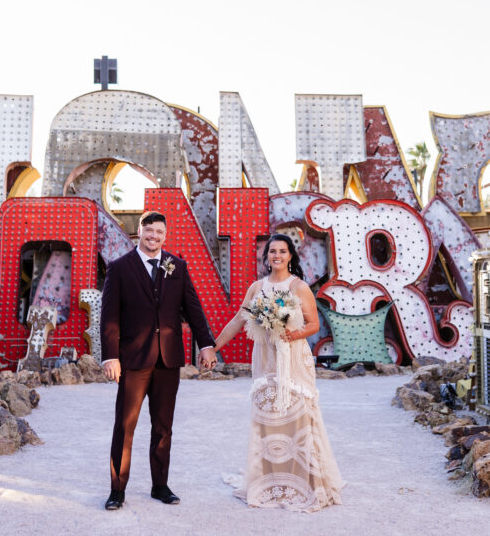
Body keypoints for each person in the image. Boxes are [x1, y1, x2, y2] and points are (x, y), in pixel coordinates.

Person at [214, 233, 344, 512]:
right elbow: (239, 319)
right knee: (269, 416)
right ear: (267, 257)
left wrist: (292, 333)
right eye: (272, 251)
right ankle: (269, 481)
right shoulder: (256, 287)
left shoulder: (299, 287)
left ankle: (304, 482)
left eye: (282, 251)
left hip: (294, 356)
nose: (277, 256)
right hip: (265, 358)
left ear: (290, 256)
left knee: (298, 416)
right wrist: (214, 348)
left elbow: (313, 324)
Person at [100, 211, 218, 511]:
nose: (153, 236)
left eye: (159, 232)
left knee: (163, 426)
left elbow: (192, 306)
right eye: (148, 230)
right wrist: (110, 356)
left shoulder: (176, 266)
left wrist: (206, 344)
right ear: (139, 231)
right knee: (125, 426)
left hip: (168, 359)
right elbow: (109, 317)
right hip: (132, 360)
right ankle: (117, 490)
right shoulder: (119, 268)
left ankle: (160, 485)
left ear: (165, 235)